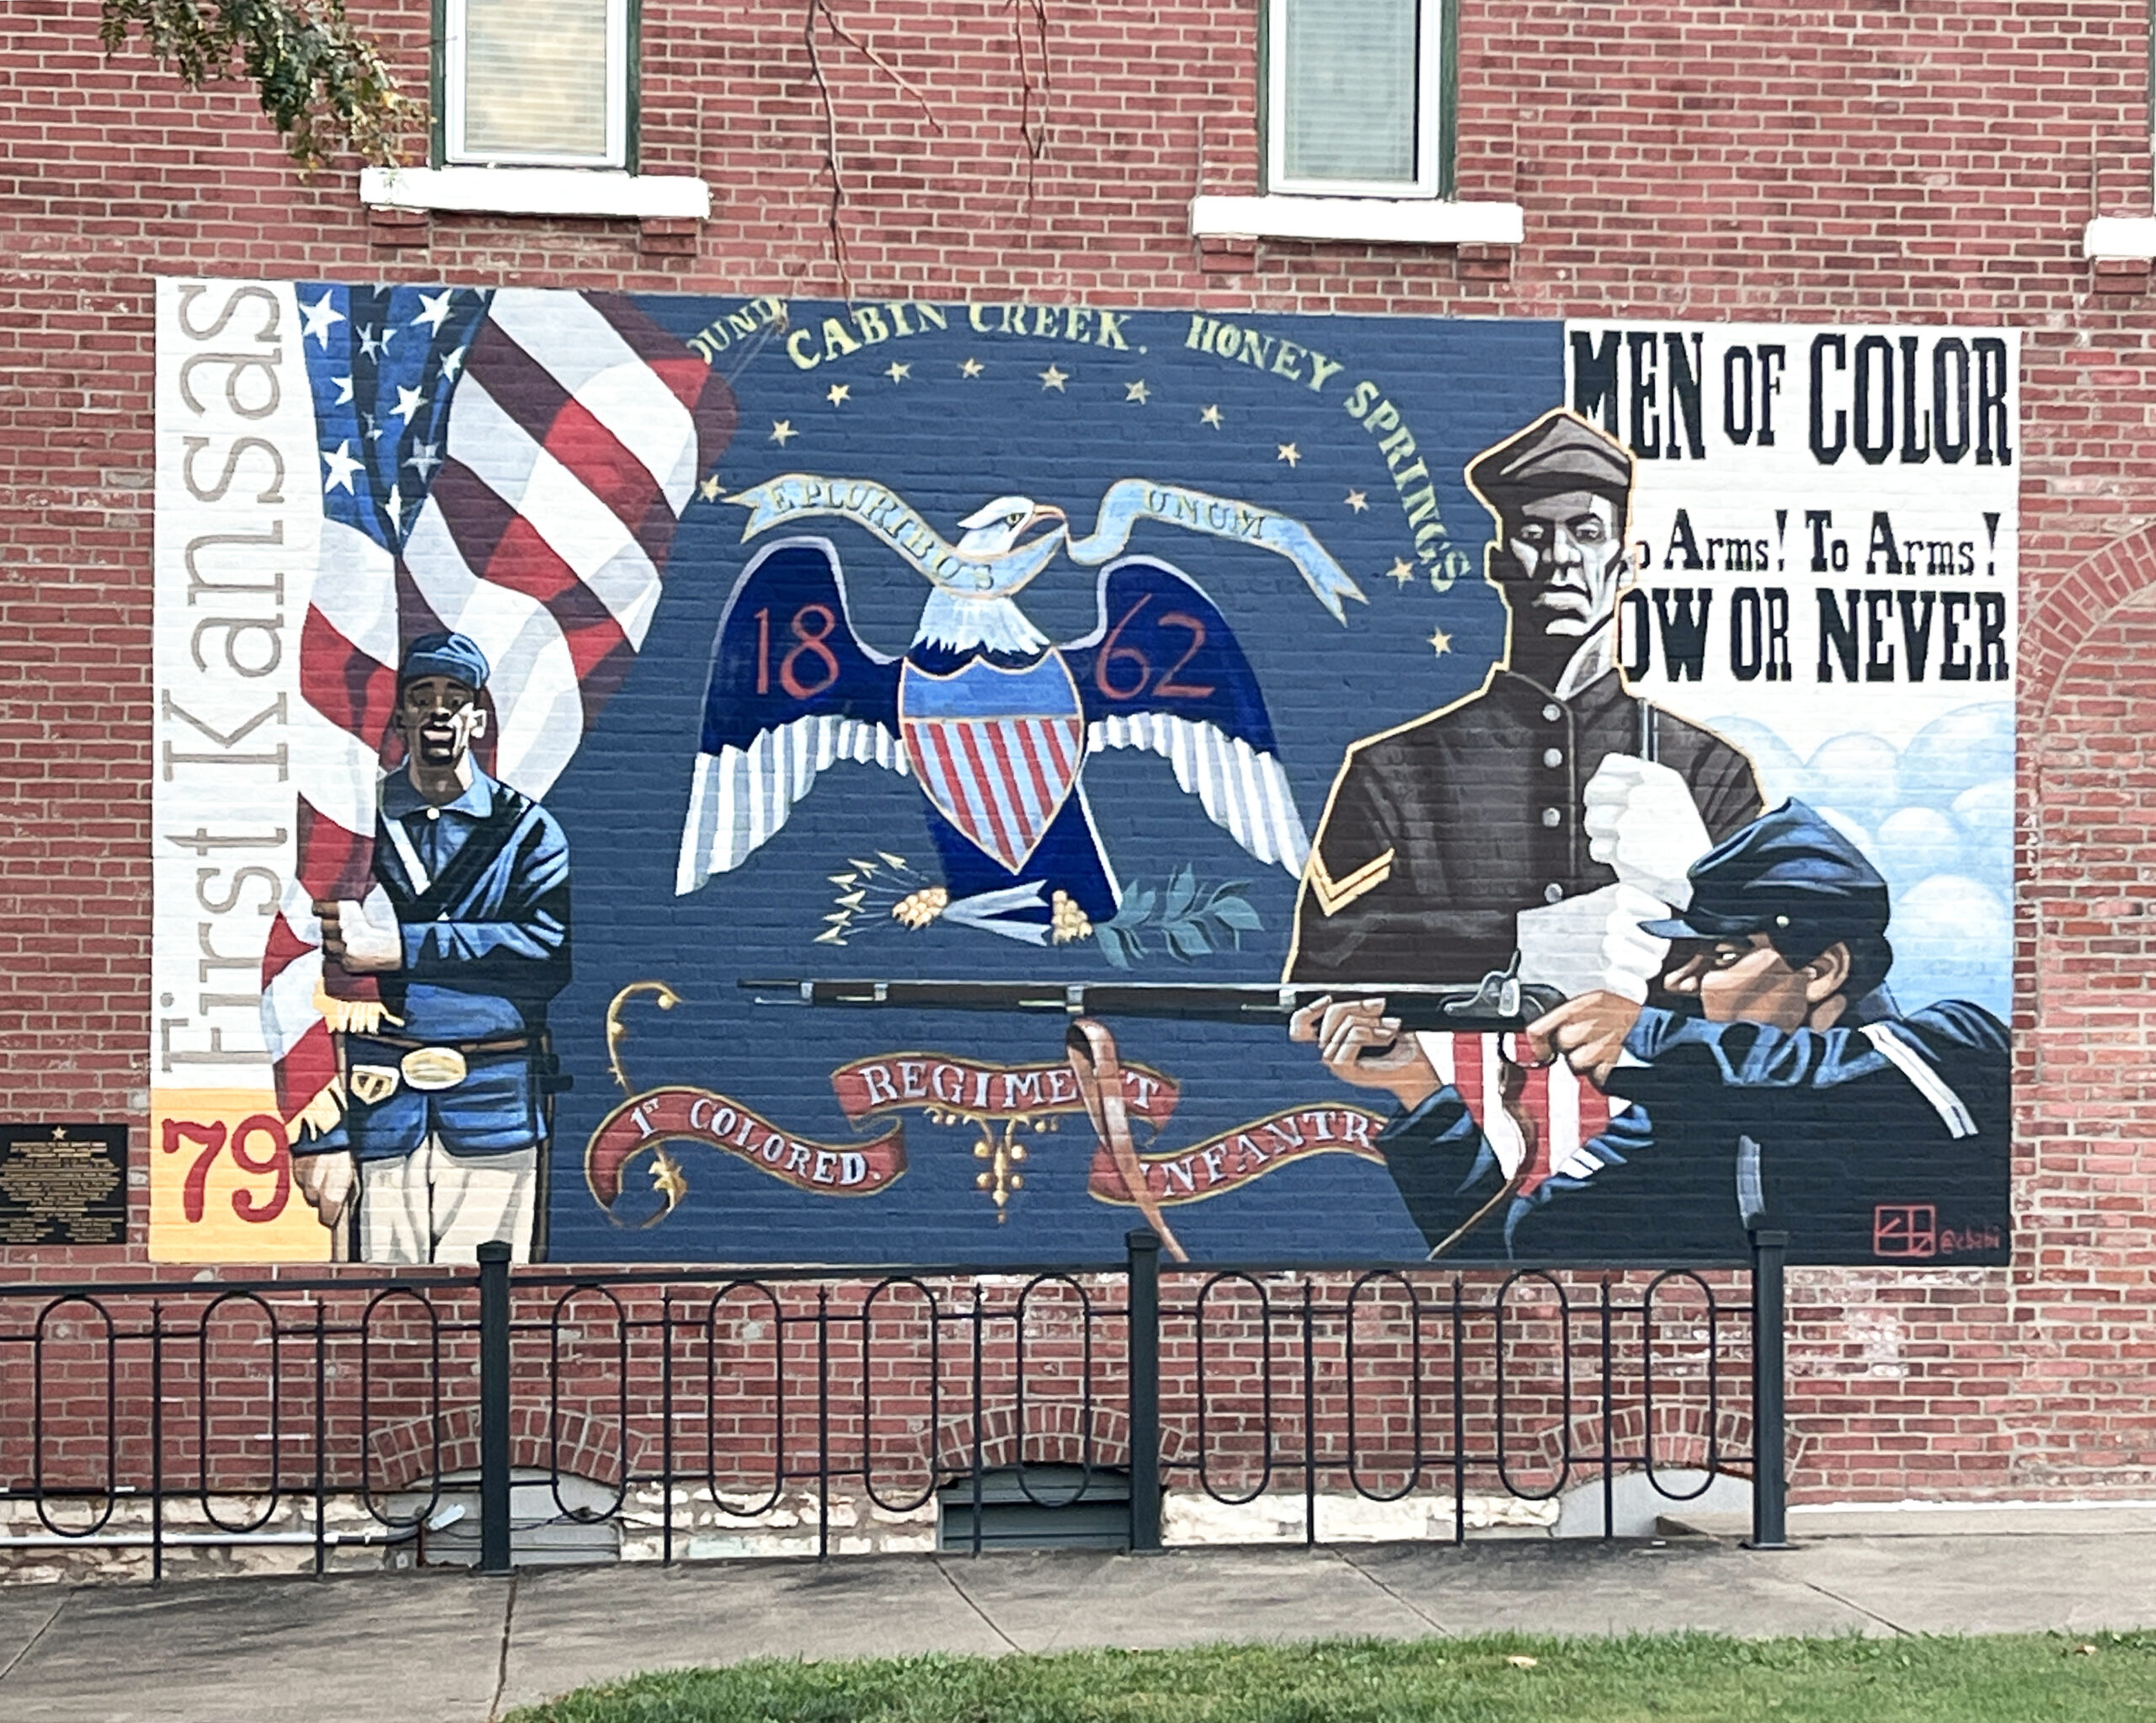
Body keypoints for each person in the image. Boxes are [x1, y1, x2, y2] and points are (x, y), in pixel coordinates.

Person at [1286, 408, 1764, 1198]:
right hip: (1454, 1143)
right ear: (1499, 561)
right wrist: (1530, 945)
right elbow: (1325, 973)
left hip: (1672, 1160)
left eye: (1585, 532)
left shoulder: (1708, 771)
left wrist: (1689, 891)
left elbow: (1776, 986)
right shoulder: (1394, 770)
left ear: (1627, 560)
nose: (1560, 559)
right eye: (1535, 536)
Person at [1298, 801, 2010, 1263]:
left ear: (1823, 969)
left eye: (1723, 955)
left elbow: (1836, 1085)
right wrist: (1422, 1098)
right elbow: (1526, 1259)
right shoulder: (1682, 1123)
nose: (1678, 981)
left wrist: (1646, 1042)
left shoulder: (1951, 1050)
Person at [291, 632, 572, 1263]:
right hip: (378, 1102)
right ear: (400, 716)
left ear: (477, 717)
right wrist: (321, 1133)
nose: (439, 710)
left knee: (489, 1307)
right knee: (382, 1311)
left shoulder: (528, 834)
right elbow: (296, 961)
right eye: (422, 696)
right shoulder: (356, 826)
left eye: (456, 696)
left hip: (492, 1105)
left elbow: (546, 951)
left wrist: (400, 948)